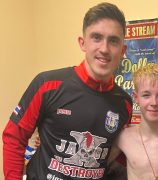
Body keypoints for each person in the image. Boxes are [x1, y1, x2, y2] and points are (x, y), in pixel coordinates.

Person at [2, 2, 132, 180]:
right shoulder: (48, 84)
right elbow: (14, 138)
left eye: (113, 41)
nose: (104, 49)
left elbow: (121, 156)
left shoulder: (124, 103)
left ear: (123, 50)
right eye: (96, 37)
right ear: (82, 43)